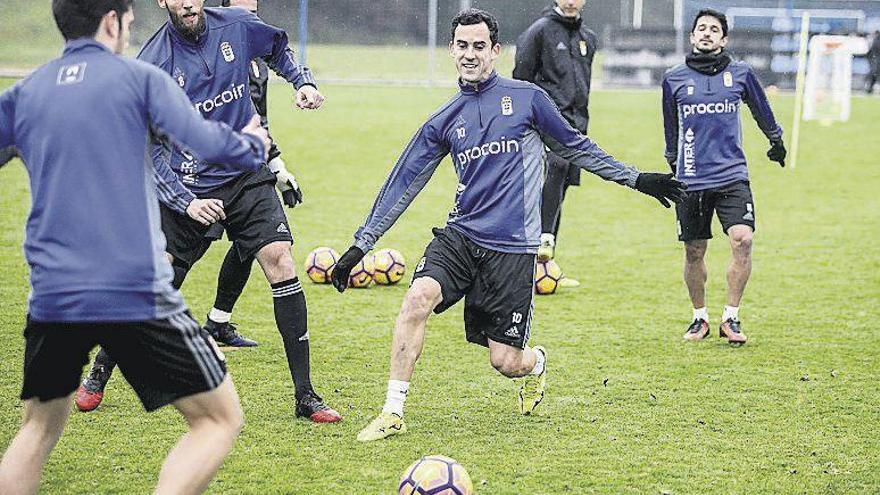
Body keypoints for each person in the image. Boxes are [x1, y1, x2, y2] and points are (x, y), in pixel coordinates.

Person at [331, 9, 686, 442]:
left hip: (514, 249)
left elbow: (577, 147)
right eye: (462, 45)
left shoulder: (528, 99)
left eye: (479, 46)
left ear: (495, 51)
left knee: (505, 362)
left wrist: (637, 179)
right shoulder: (445, 119)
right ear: (452, 50)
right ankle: (392, 412)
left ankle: (535, 364)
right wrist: (359, 245)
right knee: (416, 299)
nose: (470, 54)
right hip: (461, 236)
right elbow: (402, 183)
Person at [0, 0, 271, 492]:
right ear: (112, 21)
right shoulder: (140, 80)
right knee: (218, 420)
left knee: (37, 429)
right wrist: (255, 143)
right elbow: (206, 142)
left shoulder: (25, 95)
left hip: (54, 294)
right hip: (134, 289)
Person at [75, 0, 341, 423]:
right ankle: (100, 371)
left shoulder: (236, 25)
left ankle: (306, 396)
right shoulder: (155, 63)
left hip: (246, 173)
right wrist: (187, 202)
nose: (187, 1)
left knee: (280, 260)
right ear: (162, 2)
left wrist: (301, 82)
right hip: (191, 186)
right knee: (158, 280)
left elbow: (277, 48)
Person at [662, 9, 785, 345]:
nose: (707, 33)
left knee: (743, 239)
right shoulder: (673, 78)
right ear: (692, 36)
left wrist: (776, 140)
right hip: (691, 180)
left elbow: (762, 109)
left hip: (732, 175)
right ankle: (698, 318)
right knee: (694, 251)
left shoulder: (741, 74)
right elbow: (670, 127)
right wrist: (672, 163)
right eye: (701, 28)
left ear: (724, 39)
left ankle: (731, 317)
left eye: (714, 29)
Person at [199, 0, 306, 349]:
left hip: (248, 170)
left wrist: (278, 169)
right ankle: (108, 361)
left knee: (255, 245)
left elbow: (258, 124)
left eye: (255, 6)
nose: (251, 12)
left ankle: (217, 323)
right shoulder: (214, 54)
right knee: (171, 264)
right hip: (206, 173)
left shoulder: (256, 62)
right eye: (243, 5)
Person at [513, 0, 598, 287]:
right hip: (546, 121)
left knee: (559, 190)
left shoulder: (588, 38)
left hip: (576, 127)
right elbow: (521, 79)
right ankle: (536, 247)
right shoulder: (539, 32)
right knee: (553, 170)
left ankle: (543, 268)